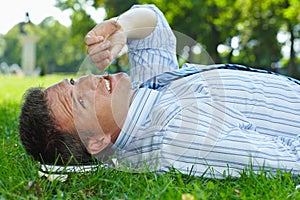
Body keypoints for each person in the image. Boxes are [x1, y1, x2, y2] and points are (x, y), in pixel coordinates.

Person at [19, 4, 300, 178]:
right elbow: (284, 162)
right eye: (80, 101)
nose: (89, 80)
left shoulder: (143, 96)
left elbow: (153, 25)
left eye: (72, 82)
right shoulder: (178, 135)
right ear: (98, 142)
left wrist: (122, 27)